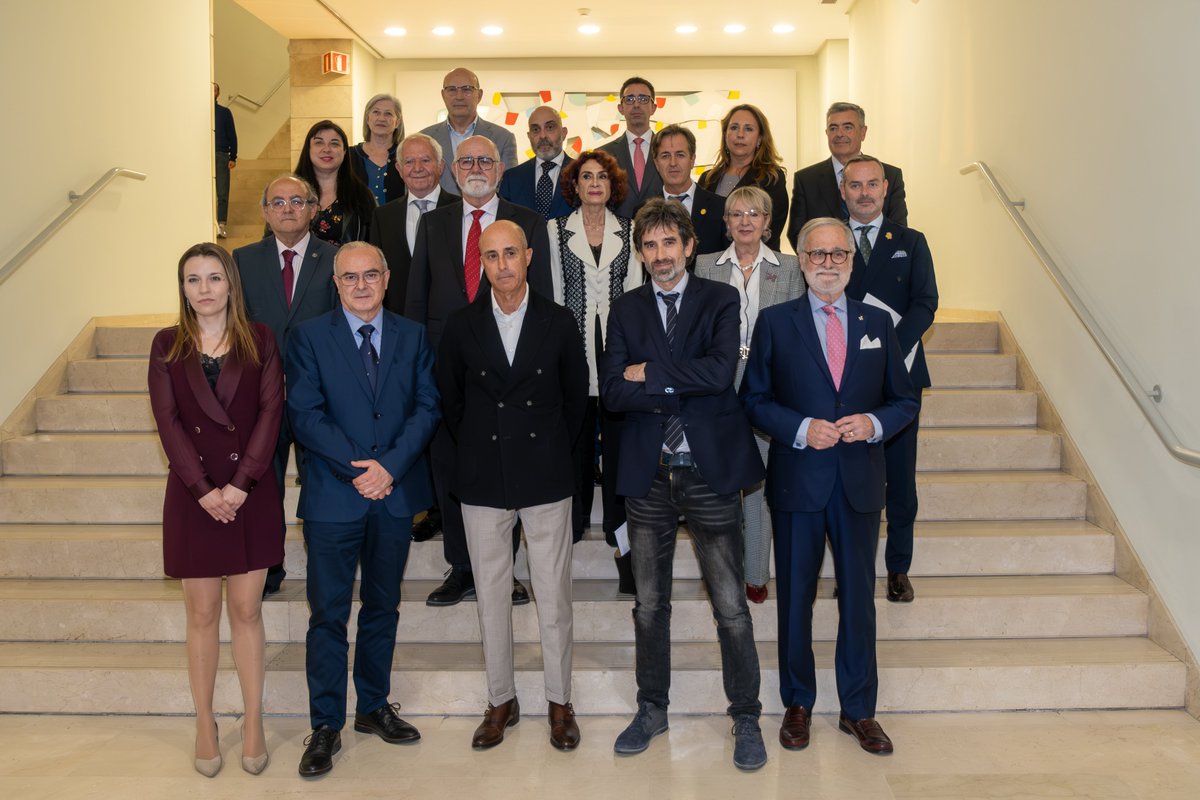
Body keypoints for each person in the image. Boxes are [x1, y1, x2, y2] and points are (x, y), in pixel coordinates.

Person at [601, 198, 767, 771]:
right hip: (647, 476)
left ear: (690, 246)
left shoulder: (721, 299)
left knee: (730, 607)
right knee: (650, 605)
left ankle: (745, 715)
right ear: (641, 252)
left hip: (710, 471)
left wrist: (649, 372)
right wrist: (675, 379)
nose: (661, 255)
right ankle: (652, 709)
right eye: (650, 246)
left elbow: (722, 374)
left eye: (670, 243)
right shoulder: (625, 310)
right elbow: (613, 392)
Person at [741, 217, 918, 756]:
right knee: (795, 599)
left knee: (859, 601)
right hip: (799, 483)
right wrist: (798, 428)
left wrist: (874, 424)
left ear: (850, 260)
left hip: (860, 483)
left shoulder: (878, 323)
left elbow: (905, 399)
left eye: (837, 254)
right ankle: (798, 704)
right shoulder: (774, 322)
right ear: (801, 259)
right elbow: (754, 399)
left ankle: (859, 710)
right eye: (816, 255)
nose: (827, 264)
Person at [286, 242, 440, 777]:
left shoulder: (412, 335)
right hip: (333, 499)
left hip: (393, 496)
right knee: (328, 615)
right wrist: (361, 471)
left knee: (382, 607)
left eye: (370, 274)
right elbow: (304, 415)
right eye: (350, 277)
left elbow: (427, 407)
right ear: (335, 282)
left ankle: (373, 707)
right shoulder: (308, 337)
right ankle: (325, 724)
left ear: (387, 277)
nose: (361, 285)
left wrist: (390, 467)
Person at [437, 221, 589, 751]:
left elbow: (576, 404)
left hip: (545, 473)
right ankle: (501, 699)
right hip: (482, 477)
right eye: (491, 256)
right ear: (481, 262)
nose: (502, 264)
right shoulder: (460, 326)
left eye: (511, 254)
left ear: (528, 257)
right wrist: (481, 447)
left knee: (554, 597)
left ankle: (559, 700)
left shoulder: (560, 321)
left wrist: (547, 449)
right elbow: (451, 404)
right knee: (491, 598)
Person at [147, 242, 283, 777]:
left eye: (214, 278)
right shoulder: (166, 344)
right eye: (193, 280)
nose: (204, 289)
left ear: (231, 284)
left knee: (246, 612)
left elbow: (273, 411)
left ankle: (252, 721)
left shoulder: (262, 338)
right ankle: (205, 721)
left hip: (249, 494)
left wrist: (241, 483)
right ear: (182, 289)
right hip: (193, 496)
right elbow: (168, 421)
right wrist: (205, 488)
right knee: (201, 615)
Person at [405, 134, 552, 608]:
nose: (475, 167)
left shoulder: (527, 222)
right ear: (452, 170)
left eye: (484, 160)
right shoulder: (433, 224)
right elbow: (417, 299)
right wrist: (413, 366)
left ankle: (502, 571)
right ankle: (462, 567)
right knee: (449, 464)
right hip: (445, 365)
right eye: (466, 159)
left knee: (503, 468)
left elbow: (544, 301)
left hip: (507, 369)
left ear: (500, 168)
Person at [694, 186, 803, 604]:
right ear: (725, 222)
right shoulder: (704, 266)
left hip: (767, 386)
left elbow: (796, 332)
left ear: (768, 222)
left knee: (757, 484)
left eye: (754, 214)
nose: (745, 221)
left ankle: (756, 575)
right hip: (717, 385)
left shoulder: (791, 268)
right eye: (736, 214)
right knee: (719, 486)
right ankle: (722, 575)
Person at [234, 174, 339, 597]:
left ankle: (324, 570)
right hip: (263, 398)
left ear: (314, 209)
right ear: (264, 211)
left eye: (298, 200)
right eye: (277, 202)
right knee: (265, 487)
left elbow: (342, 329)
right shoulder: (241, 261)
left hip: (319, 398)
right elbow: (235, 327)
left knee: (322, 486)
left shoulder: (337, 259)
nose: (288, 208)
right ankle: (269, 569)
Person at [840, 155, 938, 603]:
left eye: (872, 184)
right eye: (855, 185)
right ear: (843, 190)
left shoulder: (911, 241)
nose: (864, 192)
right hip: (843, 375)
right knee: (851, 479)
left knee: (900, 478)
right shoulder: (829, 239)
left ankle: (898, 567)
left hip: (898, 375)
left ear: (885, 189)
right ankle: (850, 572)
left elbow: (925, 302)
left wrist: (887, 352)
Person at [547, 149, 642, 586]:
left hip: (621, 355)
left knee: (622, 456)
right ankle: (571, 536)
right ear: (575, 185)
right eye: (586, 177)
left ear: (612, 184)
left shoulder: (632, 230)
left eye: (602, 176)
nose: (594, 183)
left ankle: (623, 551)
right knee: (574, 451)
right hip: (572, 352)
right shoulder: (554, 231)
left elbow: (639, 293)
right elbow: (551, 295)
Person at [785, 102, 907, 249]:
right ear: (827, 133)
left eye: (848, 127)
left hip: (880, 267)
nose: (839, 134)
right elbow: (797, 234)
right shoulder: (806, 180)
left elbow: (898, 230)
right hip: (825, 269)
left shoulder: (891, 176)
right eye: (833, 128)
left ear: (863, 132)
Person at [373, 133, 460, 317]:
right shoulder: (382, 216)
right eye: (409, 161)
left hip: (452, 321)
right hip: (398, 320)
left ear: (441, 166)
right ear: (398, 168)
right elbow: (376, 273)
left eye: (426, 160)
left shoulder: (461, 211)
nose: (417, 168)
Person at [697, 104, 788, 250]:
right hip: (711, 266)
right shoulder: (707, 179)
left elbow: (771, 231)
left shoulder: (772, 178)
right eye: (734, 128)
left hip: (756, 265)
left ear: (759, 139)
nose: (740, 134)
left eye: (748, 129)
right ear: (725, 134)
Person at [420, 67, 518, 194]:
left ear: (479, 95)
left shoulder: (503, 138)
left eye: (467, 89)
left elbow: (508, 189)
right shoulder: (425, 138)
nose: (459, 96)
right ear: (443, 95)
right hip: (437, 213)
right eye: (452, 90)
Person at [294, 120, 376, 246]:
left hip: (347, 265)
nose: (326, 149)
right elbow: (271, 240)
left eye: (334, 144)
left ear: (344, 151)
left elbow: (375, 244)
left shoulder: (362, 196)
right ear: (308, 149)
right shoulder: (289, 192)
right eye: (319, 142)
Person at [651, 124, 727, 257]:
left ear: (692, 160)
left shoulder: (721, 208)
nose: (673, 163)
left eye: (680, 155)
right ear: (656, 164)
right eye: (665, 156)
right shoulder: (643, 212)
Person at [598, 77, 663, 219]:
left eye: (643, 99)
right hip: (615, 235)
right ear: (620, 108)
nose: (636, 104)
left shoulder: (666, 151)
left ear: (653, 108)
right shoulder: (602, 154)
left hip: (660, 234)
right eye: (630, 99)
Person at [499, 105, 574, 219]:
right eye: (535, 130)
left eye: (549, 127)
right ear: (529, 136)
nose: (542, 136)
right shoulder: (512, 178)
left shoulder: (582, 174)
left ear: (564, 133)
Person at [350, 93, 406, 206]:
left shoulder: (406, 155)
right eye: (376, 112)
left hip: (397, 222)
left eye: (388, 114)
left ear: (397, 122)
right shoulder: (348, 155)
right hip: (358, 223)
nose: (381, 118)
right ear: (367, 118)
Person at [214, 83, 237, 239]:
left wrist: (233, 156)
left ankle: (221, 224)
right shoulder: (199, 113)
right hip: (202, 156)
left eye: (214, 89)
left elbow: (232, 135)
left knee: (222, 192)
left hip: (221, 155)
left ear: (218, 93)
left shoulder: (224, 112)